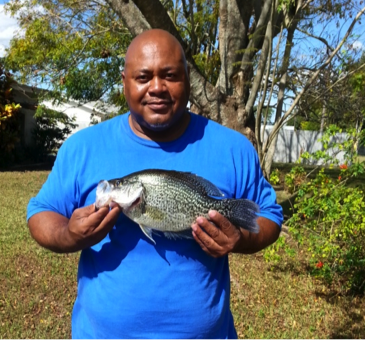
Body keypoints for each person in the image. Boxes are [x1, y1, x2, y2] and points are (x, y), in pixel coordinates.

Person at [27, 29, 283, 339]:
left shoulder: (233, 148)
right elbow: (42, 211)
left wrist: (240, 240)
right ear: (125, 81)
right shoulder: (83, 147)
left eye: (170, 75)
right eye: (143, 77)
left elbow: (268, 216)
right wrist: (67, 234)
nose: (157, 88)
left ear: (187, 78)